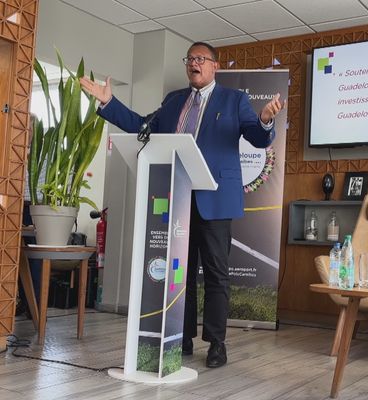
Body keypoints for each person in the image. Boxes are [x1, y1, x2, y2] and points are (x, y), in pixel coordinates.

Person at [80, 41, 285, 369]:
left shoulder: (235, 100)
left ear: (214, 66)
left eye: (201, 59)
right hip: (177, 197)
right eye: (190, 59)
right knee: (180, 272)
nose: (194, 64)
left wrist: (263, 120)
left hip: (215, 200)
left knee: (216, 274)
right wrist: (109, 103)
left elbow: (257, 138)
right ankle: (182, 335)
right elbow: (142, 127)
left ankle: (217, 343)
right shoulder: (175, 101)